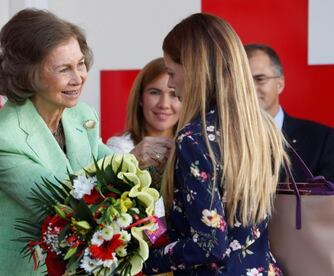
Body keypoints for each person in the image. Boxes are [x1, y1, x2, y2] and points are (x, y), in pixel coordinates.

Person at [0, 9, 168, 275]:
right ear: (28, 74)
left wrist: (145, 162)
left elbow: (105, 165)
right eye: (64, 69)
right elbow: (67, 204)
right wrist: (133, 160)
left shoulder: (82, 115)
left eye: (80, 64)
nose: (78, 78)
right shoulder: (1, 139)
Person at [143, 13, 288, 275]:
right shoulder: (262, 128)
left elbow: (209, 244)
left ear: (193, 68)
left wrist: (145, 258)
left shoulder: (194, 138)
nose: (171, 83)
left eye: (171, 72)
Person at [245, 44, 334, 182]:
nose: (250, 88)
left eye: (260, 79)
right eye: (242, 81)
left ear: (280, 84)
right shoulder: (219, 138)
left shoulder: (323, 140)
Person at [107, 57, 180, 188]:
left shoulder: (193, 147)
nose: (164, 104)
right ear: (140, 98)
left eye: (173, 94)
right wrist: (131, 162)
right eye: (155, 93)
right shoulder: (119, 148)